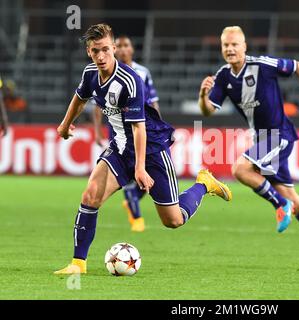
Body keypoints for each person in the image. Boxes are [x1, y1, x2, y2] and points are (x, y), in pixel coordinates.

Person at [54, 23, 232, 274]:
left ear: (114, 48)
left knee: (173, 220)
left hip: (151, 150)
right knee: (90, 195)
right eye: (96, 51)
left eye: (106, 49)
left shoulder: (131, 81)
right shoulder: (90, 73)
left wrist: (139, 168)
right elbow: (80, 97)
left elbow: (140, 129)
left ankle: (204, 184)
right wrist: (64, 125)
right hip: (120, 148)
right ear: (89, 51)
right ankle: (78, 264)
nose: (101, 56)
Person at [199, 26, 299, 259]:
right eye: (226, 45)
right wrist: (203, 95)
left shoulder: (261, 65)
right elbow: (207, 112)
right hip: (263, 138)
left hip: (279, 135)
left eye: (235, 44)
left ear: (244, 46)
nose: (230, 49)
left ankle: (279, 204)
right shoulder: (223, 75)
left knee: (240, 169)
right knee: (289, 193)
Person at [93, 34, 161, 232]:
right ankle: (136, 216)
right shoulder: (104, 72)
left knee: (150, 173)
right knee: (128, 173)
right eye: (119, 45)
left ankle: (131, 199)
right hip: (118, 132)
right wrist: (98, 131)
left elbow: (153, 101)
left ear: (131, 49)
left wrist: (160, 125)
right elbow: (97, 107)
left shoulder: (142, 72)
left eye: (126, 45)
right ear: (114, 49)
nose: (123, 49)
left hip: (144, 128)